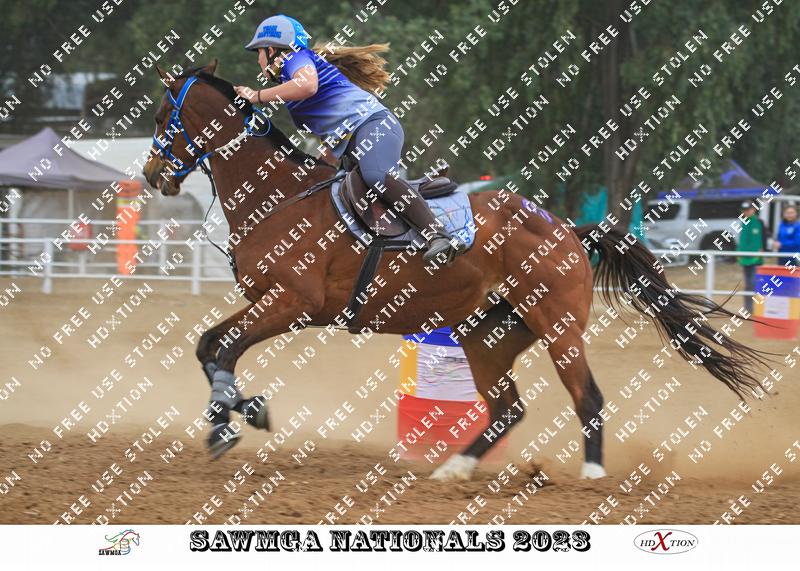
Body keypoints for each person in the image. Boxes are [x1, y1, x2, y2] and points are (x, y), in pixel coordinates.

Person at [233, 14, 461, 265]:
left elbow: (307, 86)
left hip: (376, 125)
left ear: (272, 50)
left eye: (258, 52)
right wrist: (320, 166)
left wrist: (257, 96)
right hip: (354, 142)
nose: (258, 60)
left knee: (376, 176)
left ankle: (439, 235)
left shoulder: (295, 58)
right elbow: (334, 134)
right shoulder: (291, 87)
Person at [737, 200, 766, 314]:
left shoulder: (759, 222)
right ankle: (748, 308)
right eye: (744, 210)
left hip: (756, 258)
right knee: (748, 284)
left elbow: (764, 237)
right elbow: (742, 240)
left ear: (753, 210)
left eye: (748, 209)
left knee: (755, 283)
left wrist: (763, 249)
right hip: (744, 258)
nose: (746, 212)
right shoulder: (743, 222)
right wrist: (739, 253)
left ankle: (759, 307)